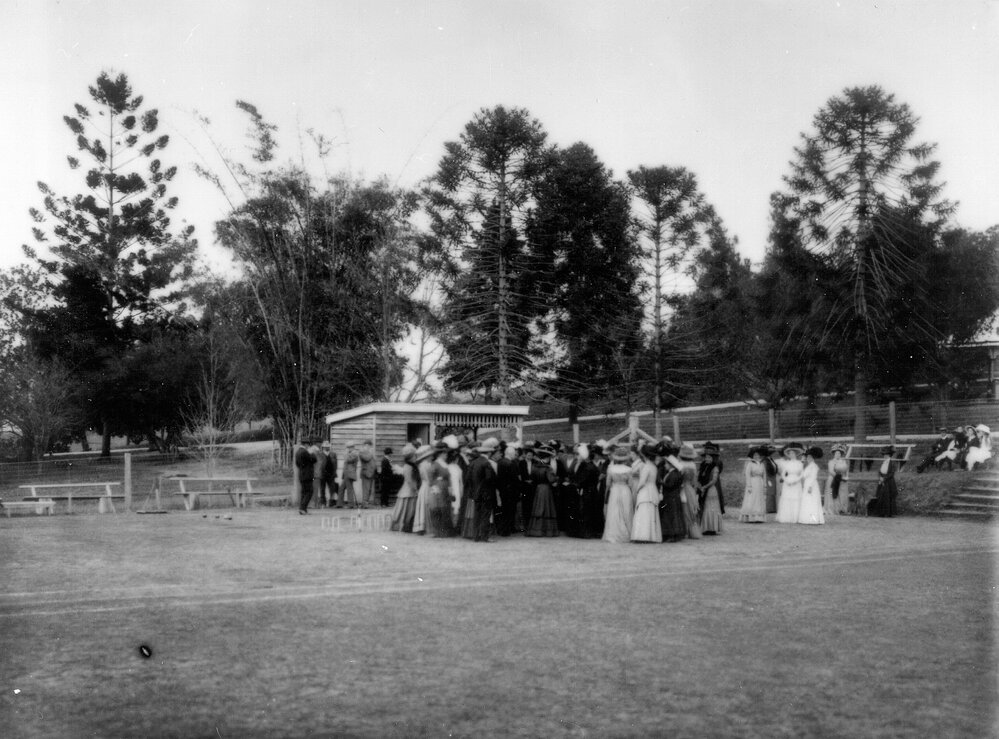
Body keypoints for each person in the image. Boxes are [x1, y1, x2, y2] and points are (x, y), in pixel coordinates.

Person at [468, 438, 500, 542]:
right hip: (486, 493)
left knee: (477, 514)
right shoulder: (486, 463)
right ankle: (485, 536)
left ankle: (476, 536)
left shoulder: (473, 463)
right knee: (485, 515)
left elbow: (468, 479)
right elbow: (490, 478)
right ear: (489, 452)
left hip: (476, 493)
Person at [631, 443, 663, 543]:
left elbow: (642, 482)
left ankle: (642, 536)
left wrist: (637, 489)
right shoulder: (654, 467)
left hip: (645, 489)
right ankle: (651, 535)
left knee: (643, 511)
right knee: (650, 511)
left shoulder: (646, 467)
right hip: (653, 489)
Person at [602, 446, 634, 543]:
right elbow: (631, 484)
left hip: (615, 489)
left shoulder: (611, 469)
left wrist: (606, 493)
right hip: (625, 490)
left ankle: (613, 533)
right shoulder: (629, 469)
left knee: (614, 511)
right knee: (626, 511)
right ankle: (627, 533)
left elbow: (607, 484)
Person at [570, 443, 603, 539]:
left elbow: (582, 480)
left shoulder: (587, 467)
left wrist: (576, 484)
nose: (578, 457)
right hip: (592, 490)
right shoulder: (591, 466)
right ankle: (592, 532)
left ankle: (586, 532)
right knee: (591, 510)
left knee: (586, 511)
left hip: (587, 491)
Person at [525, 445, 559, 537]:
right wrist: (556, 479)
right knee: (547, 508)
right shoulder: (548, 468)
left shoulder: (535, 467)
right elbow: (553, 481)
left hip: (538, 488)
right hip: (546, 489)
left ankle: (536, 530)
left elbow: (532, 479)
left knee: (538, 508)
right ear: (547, 458)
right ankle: (547, 531)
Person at [427, 442, 457, 537]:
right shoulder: (435, 464)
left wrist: (450, 489)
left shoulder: (445, 464)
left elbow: (448, 478)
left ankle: (446, 531)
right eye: (444, 454)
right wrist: (434, 487)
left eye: (446, 454)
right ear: (440, 454)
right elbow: (430, 477)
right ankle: (438, 532)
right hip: (438, 490)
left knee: (446, 509)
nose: (446, 455)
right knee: (437, 509)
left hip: (445, 489)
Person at [658, 444, 686, 542]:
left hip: (671, 497)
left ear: (671, 465)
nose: (665, 465)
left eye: (666, 464)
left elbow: (670, 486)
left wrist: (661, 483)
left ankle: (673, 534)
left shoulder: (673, 474)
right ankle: (672, 534)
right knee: (671, 515)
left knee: (671, 516)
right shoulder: (671, 473)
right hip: (671, 497)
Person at [390, 444, 421, 533]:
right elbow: (409, 480)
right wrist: (415, 489)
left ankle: (407, 526)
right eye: (414, 455)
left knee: (409, 510)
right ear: (410, 457)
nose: (415, 457)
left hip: (411, 490)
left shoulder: (412, 466)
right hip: (408, 490)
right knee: (406, 510)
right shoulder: (408, 466)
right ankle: (403, 526)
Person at [697, 441, 724, 535]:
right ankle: (706, 527)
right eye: (706, 457)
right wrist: (700, 486)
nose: (707, 459)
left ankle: (712, 527)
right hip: (703, 489)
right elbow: (699, 477)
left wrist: (705, 487)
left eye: (709, 457)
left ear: (713, 458)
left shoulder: (715, 467)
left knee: (711, 508)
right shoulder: (703, 466)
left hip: (711, 490)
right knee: (704, 507)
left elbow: (714, 480)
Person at [495, 442, 521, 536]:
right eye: (514, 454)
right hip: (511, 491)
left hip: (502, 490)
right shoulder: (511, 464)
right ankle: (506, 530)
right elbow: (515, 479)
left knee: (503, 510)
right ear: (510, 454)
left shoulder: (500, 462)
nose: (515, 455)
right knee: (509, 511)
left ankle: (503, 529)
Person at [775, 442, 805, 523]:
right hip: (787, 482)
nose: (791, 455)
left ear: (796, 454)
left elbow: (801, 474)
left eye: (793, 453)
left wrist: (795, 481)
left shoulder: (799, 463)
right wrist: (787, 480)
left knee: (796, 498)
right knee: (787, 498)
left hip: (796, 482)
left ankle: (796, 517)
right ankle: (786, 517)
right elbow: (783, 474)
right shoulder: (786, 463)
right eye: (790, 453)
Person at [677, 443, 702, 539]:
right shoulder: (693, 465)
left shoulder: (680, 464)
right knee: (691, 509)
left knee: (683, 509)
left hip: (682, 488)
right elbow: (694, 480)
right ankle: (692, 530)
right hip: (690, 489)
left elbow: (680, 478)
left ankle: (685, 531)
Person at [739, 446, 768, 523]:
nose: (756, 456)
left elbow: (764, 475)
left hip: (760, 483)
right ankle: (750, 517)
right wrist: (749, 486)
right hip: (753, 482)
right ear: (752, 456)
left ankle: (758, 517)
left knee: (759, 499)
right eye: (755, 455)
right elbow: (747, 475)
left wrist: (765, 485)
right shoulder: (750, 464)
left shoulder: (761, 464)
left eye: (758, 455)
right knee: (752, 498)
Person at [798, 446, 825, 525]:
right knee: (807, 501)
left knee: (811, 501)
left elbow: (813, 477)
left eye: (810, 457)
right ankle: (806, 518)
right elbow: (803, 475)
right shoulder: (808, 466)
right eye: (808, 457)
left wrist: (810, 487)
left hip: (811, 485)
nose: (808, 459)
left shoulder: (814, 466)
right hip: (807, 484)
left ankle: (813, 519)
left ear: (813, 458)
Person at [871, 446, 899, 517]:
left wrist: (885, 478)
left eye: (886, 455)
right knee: (881, 496)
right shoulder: (883, 462)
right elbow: (880, 471)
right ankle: (881, 512)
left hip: (889, 482)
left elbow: (892, 473)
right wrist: (880, 477)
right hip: (882, 480)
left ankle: (889, 513)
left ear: (889, 455)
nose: (885, 456)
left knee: (888, 496)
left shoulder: (892, 463)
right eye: (884, 455)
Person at [824, 444, 850, 516]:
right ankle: (831, 509)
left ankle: (840, 509)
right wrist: (837, 477)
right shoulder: (831, 462)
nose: (838, 455)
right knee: (832, 493)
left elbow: (845, 470)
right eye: (836, 453)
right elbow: (831, 471)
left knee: (841, 494)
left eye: (839, 453)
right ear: (834, 454)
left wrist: (844, 477)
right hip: (833, 479)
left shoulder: (843, 461)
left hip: (841, 480)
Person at [294, 439, 317, 515]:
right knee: (309, 491)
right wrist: (312, 452)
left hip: (301, 474)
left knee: (304, 492)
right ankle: (303, 508)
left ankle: (302, 509)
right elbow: (314, 460)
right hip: (308, 474)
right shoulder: (305, 452)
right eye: (308, 444)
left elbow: (297, 464)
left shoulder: (298, 452)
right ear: (306, 444)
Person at [358, 441, 377, 507]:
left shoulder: (369, 452)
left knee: (369, 489)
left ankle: (366, 503)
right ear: (365, 445)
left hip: (371, 473)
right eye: (368, 446)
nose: (370, 447)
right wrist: (371, 453)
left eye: (370, 446)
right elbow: (367, 459)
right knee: (366, 489)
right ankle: (364, 503)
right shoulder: (361, 452)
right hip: (366, 473)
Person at [319, 441, 338, 508]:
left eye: (328, 447)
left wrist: (335, 472)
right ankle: (323, 503)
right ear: (323, 447)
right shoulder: (320, 454)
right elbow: (319, 465)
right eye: (325, 447)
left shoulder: (333, 454)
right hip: (322, 474)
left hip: (331, 474)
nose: (327, 448)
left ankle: (331, 502)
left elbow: (335, 464)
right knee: (322, 489)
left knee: (332, 489)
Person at [342, 441, 360, 508]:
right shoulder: (351, 453)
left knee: (349, 489)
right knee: (342, 488)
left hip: (350, 473)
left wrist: (346, 453)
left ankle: (351, 504)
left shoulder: (354, 453)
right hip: (347, 473)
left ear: (352, 447)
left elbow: (347, 460)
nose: (348, 449)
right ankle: (340, 504)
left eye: (348, 447)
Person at [764, 444, 780, 514]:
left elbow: (775, 467)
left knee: (773, 492)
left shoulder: (771, 459)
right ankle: (769, 508)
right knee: (769, 493)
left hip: (773, 477)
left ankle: (772, 508)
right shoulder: (765, 460)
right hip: (768, 477)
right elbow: (766, 470)